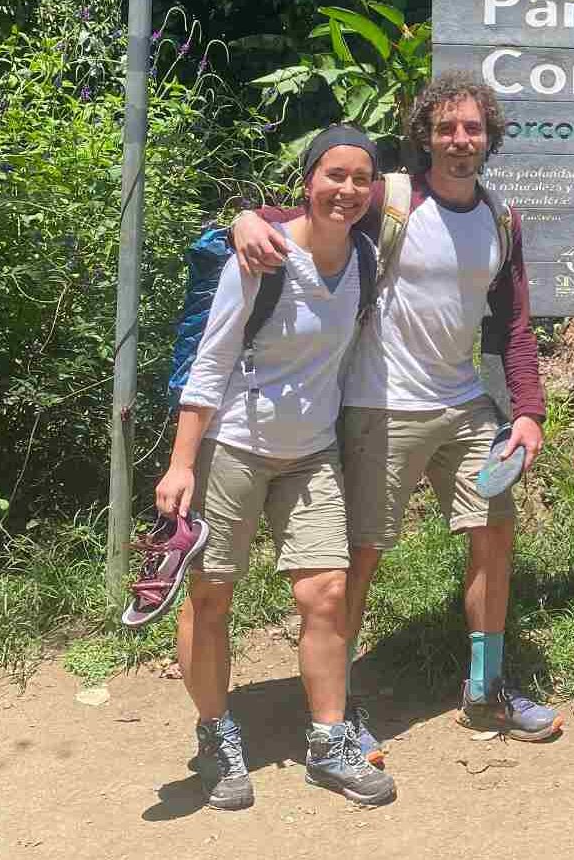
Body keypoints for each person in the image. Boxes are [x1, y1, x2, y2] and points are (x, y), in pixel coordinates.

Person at [231, 72, 561, 758]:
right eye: (446, 128)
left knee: (494, 536)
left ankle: (484, 689)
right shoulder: (395, 199)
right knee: (362, 553)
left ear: (489, 136)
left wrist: (528, 413)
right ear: (424, 137)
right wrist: (247, 220)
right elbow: (316, 207)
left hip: (465, 403)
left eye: (472, 128)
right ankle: (337, 706)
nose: (460, 140)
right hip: (379, 404)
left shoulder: (502, 218)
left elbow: (514, 327)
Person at [155, 126, 396, 811]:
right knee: (211, 598)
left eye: (359, 179)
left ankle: (327, 742)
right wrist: (180, 466)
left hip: (311, 452)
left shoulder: (367, 259)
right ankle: (215, 735)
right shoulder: (260, 258)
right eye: (333, 175)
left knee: (325, 593)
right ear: (307, 181)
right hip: (232, 444)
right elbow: (210, 363)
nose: (346, 190)